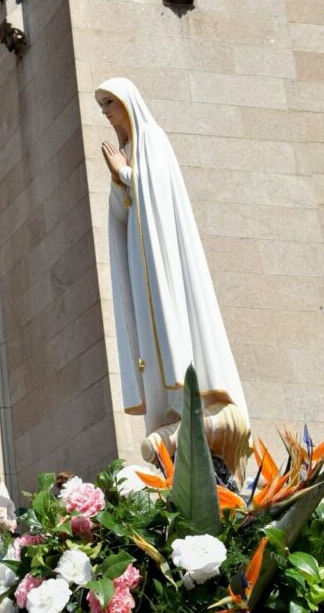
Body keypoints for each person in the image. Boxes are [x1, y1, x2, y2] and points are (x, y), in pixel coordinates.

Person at [96, 78, 251, 478]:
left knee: (172, 331)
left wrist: (125, 174)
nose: (105, 111)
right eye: (102, 105)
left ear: (129, 103)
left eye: (110, 102)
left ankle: (191, 407)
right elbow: (123, 207)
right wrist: (120, 179)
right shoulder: (130, 150)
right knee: (150, 337)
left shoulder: (152, 138)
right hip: (140, 258)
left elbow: (157, 192)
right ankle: (169, 412)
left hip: (162, 259)